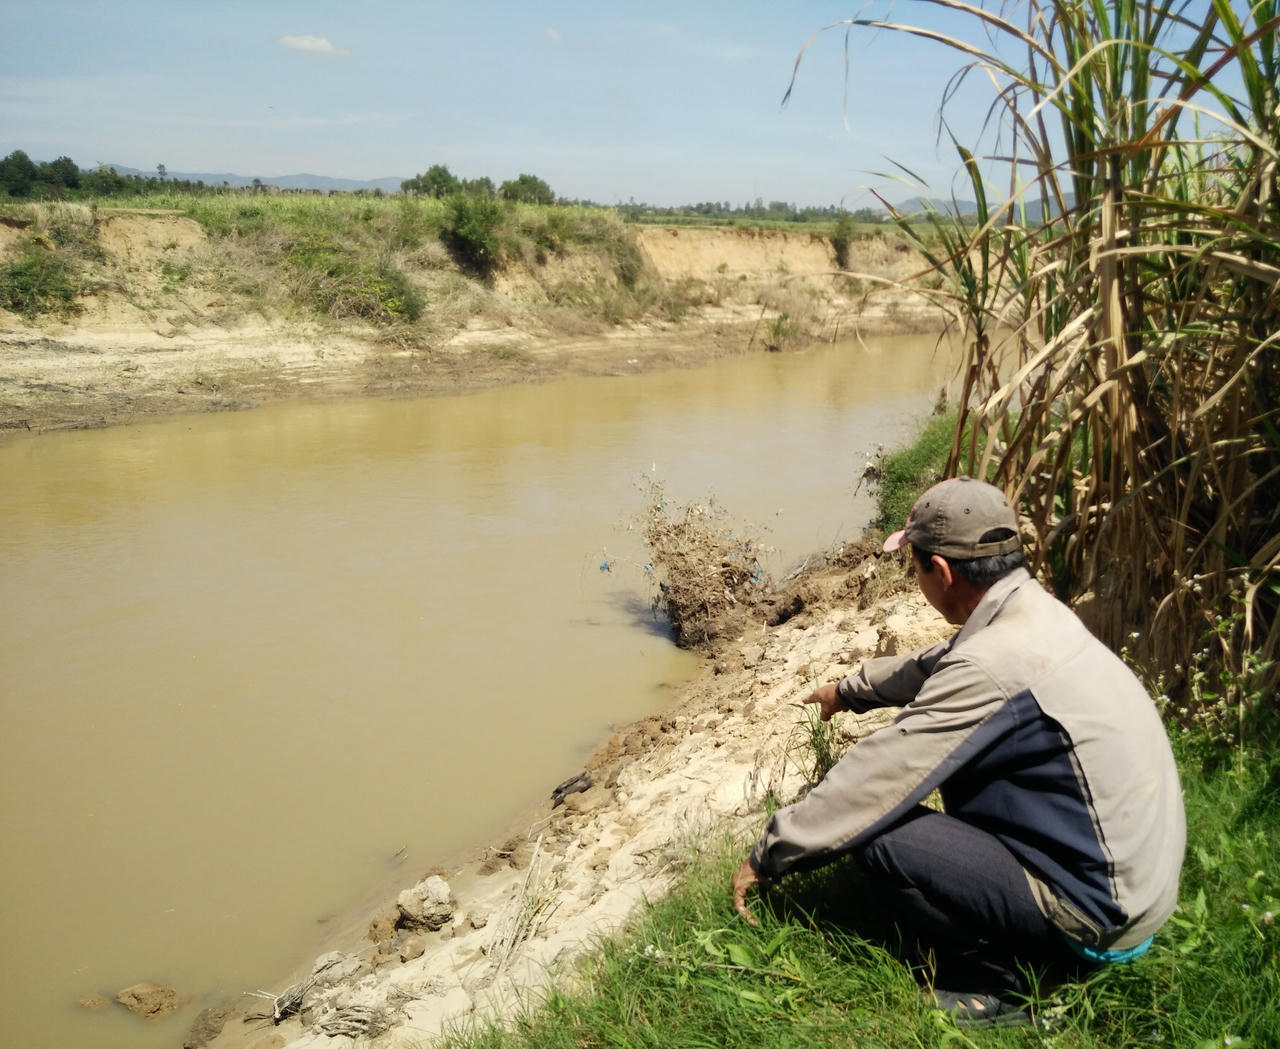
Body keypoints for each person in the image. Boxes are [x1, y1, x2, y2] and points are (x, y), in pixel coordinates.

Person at [731, 477, 1186, 1026]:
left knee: (875, 830)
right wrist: (849, 691)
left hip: (1098, 917)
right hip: (1137, 890)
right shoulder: (1035, 614)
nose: (917, 579)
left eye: (915, 568)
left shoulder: (992, 665)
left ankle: (1006, 984)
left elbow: (878, 776)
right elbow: (939, 662)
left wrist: (770, 853)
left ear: (942, 573)